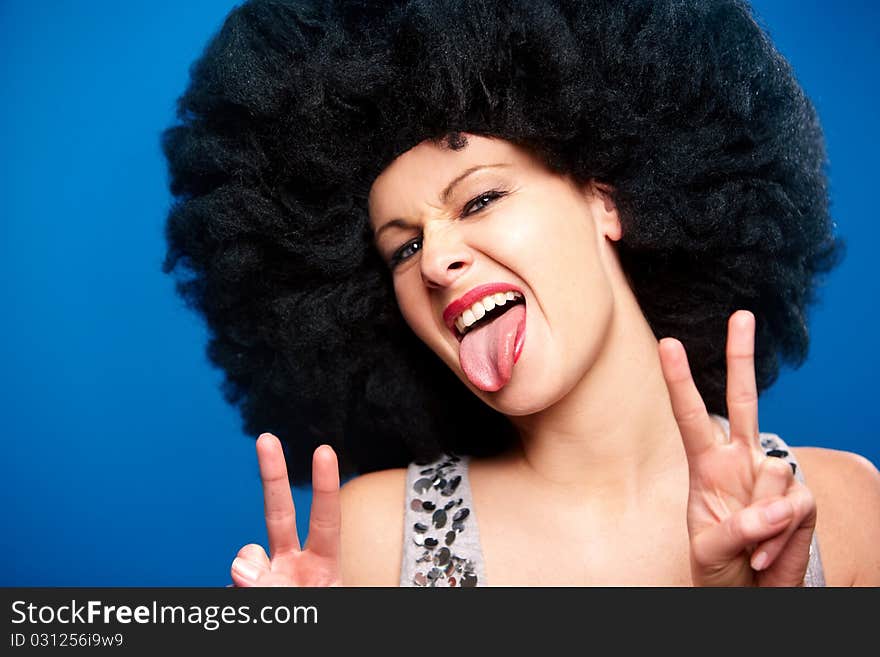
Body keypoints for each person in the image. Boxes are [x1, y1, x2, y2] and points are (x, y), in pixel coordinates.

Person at [161, 0, 880, 586]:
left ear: (606, 198)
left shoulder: (844, 508)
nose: (435, 260)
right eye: (402, 246)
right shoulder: (370, 541)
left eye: (478, 200)